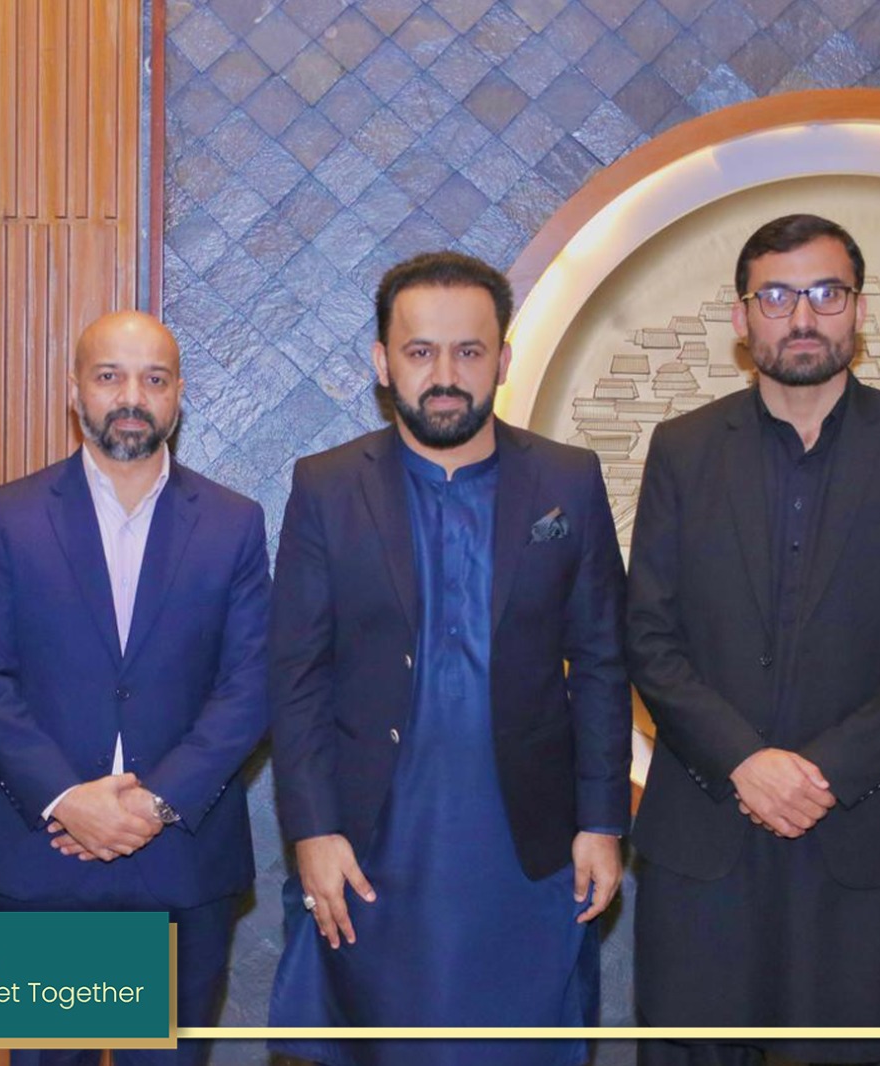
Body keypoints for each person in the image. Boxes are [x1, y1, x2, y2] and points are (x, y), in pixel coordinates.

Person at [627, 214, 880, 1066]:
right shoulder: (682, 450)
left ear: (858, 310)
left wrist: (823, 773)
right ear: (742, 318)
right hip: (710, 837)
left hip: (867, 838)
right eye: (776, 296)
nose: (801, 317)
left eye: (826, 293)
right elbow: (648, 635)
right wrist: (745, 761)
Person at [266, 251, 632, 1066]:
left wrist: (603, 822)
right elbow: (296, 677)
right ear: (382, 362)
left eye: (469, 351)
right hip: (373, 841)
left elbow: (603, 664)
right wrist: (313, 832)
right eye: (420, 351)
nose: (444, 376)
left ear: (502, 360)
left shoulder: (568, 481)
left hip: (526, 846)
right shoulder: (327, 486)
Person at [0, 310, 269, 1066]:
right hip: (44, 854)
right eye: (109, 376)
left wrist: (157, 802)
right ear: (75, 392)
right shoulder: (10, 515)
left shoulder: (233, 523)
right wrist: (70, 799)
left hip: (180, 858)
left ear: (179, 395)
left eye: (154, 379)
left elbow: (251, 683)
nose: (132, 397)